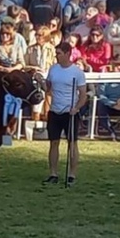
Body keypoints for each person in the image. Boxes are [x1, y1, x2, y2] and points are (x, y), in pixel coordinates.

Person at [44, 42, 87, 186]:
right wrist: (40, 81)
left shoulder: (77, 72)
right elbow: (47, 88)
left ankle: (72, 174)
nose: (56, 56)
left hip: (70, 113)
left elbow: (83, 95)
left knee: (72, 143)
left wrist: (77, 108)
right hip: (55, 111)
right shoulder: (53, 69)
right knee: (53, 143)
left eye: (59, 53)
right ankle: (53, 173)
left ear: (68, 53)